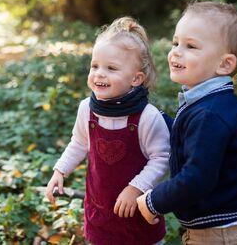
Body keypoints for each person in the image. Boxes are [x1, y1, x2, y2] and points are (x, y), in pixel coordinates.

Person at [136, 2, 237, 244]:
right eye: (175, 43)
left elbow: (196, 178)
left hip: (217, 236)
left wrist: (154, 201)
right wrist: (156, 118)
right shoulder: (214, 101)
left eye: (190, 46)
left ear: (224, 64)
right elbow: (191, 137)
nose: (176, 52)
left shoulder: (209, 114)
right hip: (221, 229)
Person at [46, 17, 170, 245]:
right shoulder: (87, 109)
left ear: (136, 78)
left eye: (111, 68)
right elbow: (79, 143)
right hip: (100, 210)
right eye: (95, 66)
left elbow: (162, 158)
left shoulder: (146, 117)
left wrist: (136, 188)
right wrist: (60, 171)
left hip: (138, 214)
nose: (99, 73)